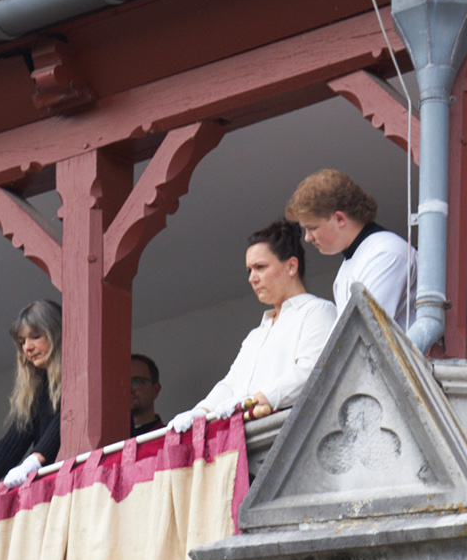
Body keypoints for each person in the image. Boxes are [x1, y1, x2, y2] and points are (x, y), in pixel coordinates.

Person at [170, 220, 335, 429]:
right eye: (249, 270)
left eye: (260, 267)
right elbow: (230, 385)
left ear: (291, 266)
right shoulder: (255, 335)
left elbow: (310, 371)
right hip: (242, 440)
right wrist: (200, 412)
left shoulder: (317, 311)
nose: (252, 278)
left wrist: (254, 401)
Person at [284, 169, 415, 327]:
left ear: (339, 218)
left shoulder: (386, 253)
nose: (307, 237)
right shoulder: (350, 265)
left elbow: (365, 335)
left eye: (312, 228)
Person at [0, 300, 63, 487]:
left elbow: (67, 418)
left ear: (58, 334)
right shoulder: (40, 390)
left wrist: (34, 461)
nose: (27, 348)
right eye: (22, 341)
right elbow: (14, 439)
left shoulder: (82, 378)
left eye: (36, 336)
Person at [129, 354, 165, 433]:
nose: (128, 389)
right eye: (122, 382)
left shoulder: (170, 438)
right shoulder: (109, 441)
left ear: (155, 390)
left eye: (136, 381)